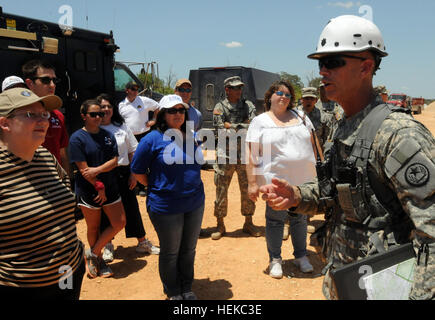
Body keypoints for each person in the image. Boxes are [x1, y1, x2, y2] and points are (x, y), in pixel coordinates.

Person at [260, 15, 435, 300]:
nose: (322, 72)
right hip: (347, 282)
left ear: (366, 66)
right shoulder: (343, 124)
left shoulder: (397, 134)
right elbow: (335, 194)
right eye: (321, 63)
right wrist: (295, 195)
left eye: (333, 62)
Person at [0, 88, 84, 299]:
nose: (44, 121)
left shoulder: (45, 157)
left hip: (68, 272)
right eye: (31, 115)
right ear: (4, 123)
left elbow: (65, 195)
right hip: (24, 286)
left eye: (44, 114)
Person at [131, 94, 205, 300]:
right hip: (166, 206)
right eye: (172, 110)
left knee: (189, 249)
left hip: (194, 202)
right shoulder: (151, 139)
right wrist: (156, 187)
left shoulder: (192, 135)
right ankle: (173, 291)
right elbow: (137, 171)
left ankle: (187, 287)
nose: (178, 114)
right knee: (171, 251)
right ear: (162, 115)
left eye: (181, 110)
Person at [246, 80, 316, 278]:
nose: (284, 97)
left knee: (300, 218)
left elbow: (313, 142)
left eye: (287, 94)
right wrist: (252, 183)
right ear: (269, 96)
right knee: (276, 220)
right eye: (279, 93)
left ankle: (301, 256)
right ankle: (275, 259)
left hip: (302, 180)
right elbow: (252, 153)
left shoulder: (301, 117)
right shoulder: (260, 121)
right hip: (274, 180)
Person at [97, 93, 159, 261]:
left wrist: (133, 174)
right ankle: (108, 245)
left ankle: (142, 242)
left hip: (124, 173)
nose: (106, 109)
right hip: (103, 176)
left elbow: (133, 151)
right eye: (102, 107)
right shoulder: (93, 129)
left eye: (109, 106)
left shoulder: (122, 126)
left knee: (131, 207)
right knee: (106, 211)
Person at [69, 99, 126, 279]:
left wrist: (99, 170)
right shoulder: (77, 138)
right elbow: (84, 169)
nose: (98, 117)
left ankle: (92, 253)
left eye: (100, 114)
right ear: (84, 116)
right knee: (93, 227)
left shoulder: (107, 135)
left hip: (110, 186)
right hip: (89, 190)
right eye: (93, 114)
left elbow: (115, 161)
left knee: (120, 222)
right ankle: (99, 260)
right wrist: (98, 186)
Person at [211, 76, 260, 240]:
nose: (238, 91)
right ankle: (220, 224)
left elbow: (254, 126)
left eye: (240, 87)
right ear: (227, 89)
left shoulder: (248, 105)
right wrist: (242, 125)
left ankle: (248, 222)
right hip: (225, 156)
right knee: (221, 190)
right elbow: (220, 130)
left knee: (247, 191)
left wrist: (230, 125)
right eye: (234, 88)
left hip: (245, 155)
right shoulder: (219, 107)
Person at [22, 59, 72, 177]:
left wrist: (67, 180)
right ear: (30, 83)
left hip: (54, 181)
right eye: (45, 80)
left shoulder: (58, 116)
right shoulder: (16, 115)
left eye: (54, 80)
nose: (52, 85)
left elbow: (62, 151)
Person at [118, 81, 160, 196]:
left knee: (145, 160)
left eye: (137, 89)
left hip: (143, 135)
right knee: (131, 161)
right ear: (127, 90)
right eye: (133, 89)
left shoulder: (144, 100)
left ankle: (143, 186)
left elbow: (158, 107)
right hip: (129, 137)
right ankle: (133, 185)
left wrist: (154, 120)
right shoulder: (121, 105)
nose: (135, 91)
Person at [299, 87, 332, 153]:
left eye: (312, 99)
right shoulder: (294, 115)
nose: (309, 101)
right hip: (298, 152)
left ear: (316, 100)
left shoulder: (323, 116)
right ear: (301, 100)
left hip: (316, 153)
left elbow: (327, 138)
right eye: (306, 98)